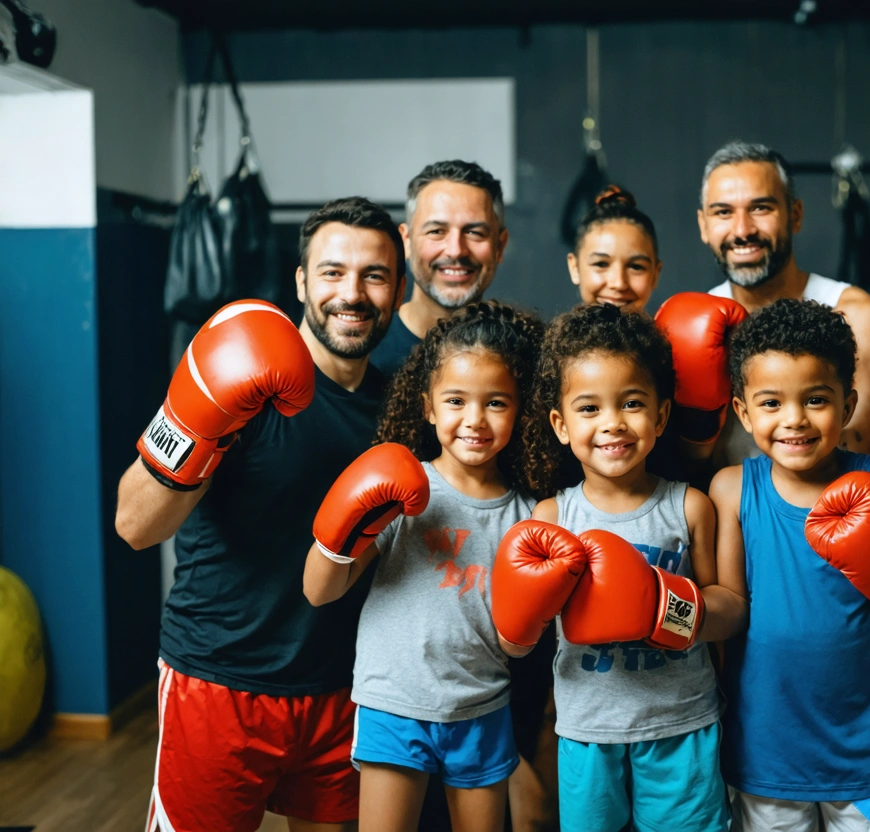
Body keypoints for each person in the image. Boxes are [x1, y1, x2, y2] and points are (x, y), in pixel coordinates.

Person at [115, 197, 406, 832]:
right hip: (219, 683)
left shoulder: (401, 413)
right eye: (331, 272)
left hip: (342, 691)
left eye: (374, 275)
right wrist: (206, 423)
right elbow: (134, 526)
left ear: (399, 289)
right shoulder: (239, 378)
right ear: (300, 281)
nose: (351, 293)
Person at [707, 299, 870, 832]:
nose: (795, 419)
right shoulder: (733, 490)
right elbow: (730, 612)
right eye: (771, 402)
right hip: (767, 754)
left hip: (861, 754)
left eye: (816, 399)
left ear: (848, 405)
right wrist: (665, 611)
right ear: (742, 412)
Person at [303, 302, 544, 832]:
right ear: (429, 407)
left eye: (496, 402)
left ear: (521, 409)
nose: (474, 420)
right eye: (456, 400)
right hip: (394, 701)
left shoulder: (528, 515)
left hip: (481, 705)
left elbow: (516, 645)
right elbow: (320, 591)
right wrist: (341, 528)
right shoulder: (403, 489)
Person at [499, 303, 732, 832]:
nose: (612, 424)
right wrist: (520, 619)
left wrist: (659, 608)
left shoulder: (688, 506)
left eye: (631, 403)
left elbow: (731, 610)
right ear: (560, 424)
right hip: (587, 728)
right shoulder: (552, 518)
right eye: (589, 409)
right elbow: (519, 640)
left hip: (681, 723)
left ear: (661, 415)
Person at [694, 141, 870, 461]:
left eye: (761, 208)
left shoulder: (863, 319)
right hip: (723, 510)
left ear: (795, 215)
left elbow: (854, 450)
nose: (742, 230)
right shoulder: (686, 327)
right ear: (704, 226)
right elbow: (677, 467)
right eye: (723, 212)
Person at [369, 159, 509, 377]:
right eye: (436, 231)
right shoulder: (364, 353)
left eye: (474, 233)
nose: (456, 250)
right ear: (406, 241)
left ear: (500, 246)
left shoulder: (523, 361)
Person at [566, 186, 662, 313]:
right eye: (601, 264)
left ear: (655, 274)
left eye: (636, 267)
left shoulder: (675, 333)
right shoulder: (552, 333)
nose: (618, 284)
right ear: (574, 268)